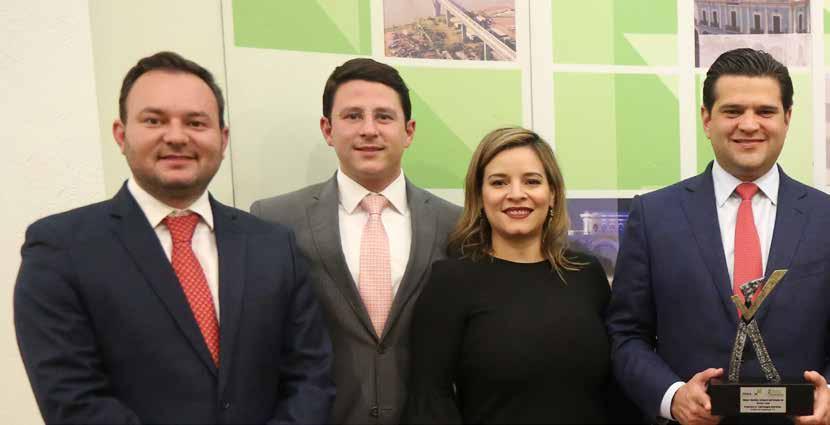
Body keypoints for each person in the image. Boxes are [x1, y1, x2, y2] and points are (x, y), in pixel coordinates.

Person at [14, 51, 334, 424]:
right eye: (154, 120)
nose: (177, 137)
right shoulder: (60, 249)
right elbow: (72, 399)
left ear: (223, 138)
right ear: (121, 134)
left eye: (196, 123)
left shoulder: (273, 245)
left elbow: (310, 378)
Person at [607, 47, 830, 424]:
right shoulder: (654, 216)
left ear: (787, 118)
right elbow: (625, 334)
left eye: (765, 111)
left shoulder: (825, 217)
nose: (749, 125)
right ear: (707, 119)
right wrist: (672, 396)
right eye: (733, 111)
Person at [250, 58, 461, 424]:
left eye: (384, 117)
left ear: (408, 131)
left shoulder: (455, 224)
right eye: (352, 116)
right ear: (327, 129)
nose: (369, 130)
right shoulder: (275, 219)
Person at [403, 127, 626, 424]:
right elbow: (430, 399)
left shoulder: (587, 274)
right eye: (499, 182)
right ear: (480, 196)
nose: (516, 194)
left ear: (552, 194)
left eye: (532, 181)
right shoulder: (450, 282)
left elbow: (615, 391)